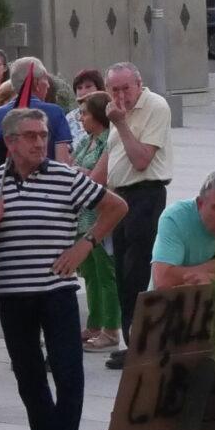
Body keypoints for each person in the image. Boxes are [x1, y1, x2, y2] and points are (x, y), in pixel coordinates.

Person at [0, 107, 127, 430]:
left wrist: (85, 245)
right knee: (28, 376)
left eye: (43, 135)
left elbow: (116, 206)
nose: (40, 142)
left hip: (56, 292)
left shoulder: (65, 177)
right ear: (10, 142)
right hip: (13, 293)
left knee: (67, 372)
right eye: (31, 136)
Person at [102, 63, 174, 364]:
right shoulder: (115, 112)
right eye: (114, 90)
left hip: (145, 194)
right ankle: (131, 340)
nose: (121, 96)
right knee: (121, 271)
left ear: (139, 84)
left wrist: (121, 124)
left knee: (137, 272)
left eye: (126, 88)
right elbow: (112, 156)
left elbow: (141, 160)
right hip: (119, 197)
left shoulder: (155, 106)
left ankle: (139, 344)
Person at [68, 93, 123, 347]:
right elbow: (70, 168)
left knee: (105, 274)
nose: (81, 118)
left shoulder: (108, 141)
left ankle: (111, 329)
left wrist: (79, 173)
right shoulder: (86, 141)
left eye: (85, 113)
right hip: (82, 217)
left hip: (101, 217)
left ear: (98, 115)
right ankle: (93, 324)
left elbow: (96, 179)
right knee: (90, 274)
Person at [0, 58, 70, 177]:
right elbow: (63, 162)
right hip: (48, 185)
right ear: (36, 83)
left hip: (6, 185)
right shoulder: (56, 112)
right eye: (45, 79)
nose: (48, 85)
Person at [151, 170, 215, 290]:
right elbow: (162, 280)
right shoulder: (176, 217)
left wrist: (214, 278)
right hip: (168, 300)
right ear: (200, 203)